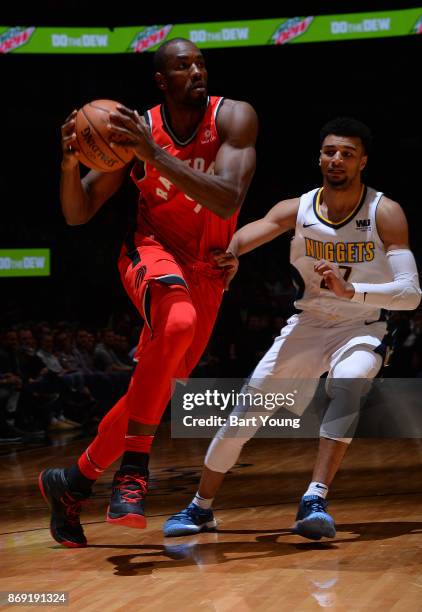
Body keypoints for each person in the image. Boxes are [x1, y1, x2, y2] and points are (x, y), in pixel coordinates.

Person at [39, 38, 258, 547]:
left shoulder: (234, 118)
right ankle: (134, 468)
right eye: (184, 66)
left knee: (154, 391)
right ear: (162, 81)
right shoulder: (134, 128)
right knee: (176, 322)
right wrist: (71, 164)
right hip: (151, 252)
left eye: (201, 63)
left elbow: (227, 201)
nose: (197, 72)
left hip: (207, 271)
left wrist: (152, 155)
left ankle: (71, 483)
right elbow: (78, 212)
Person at [163, 117, 421, 540]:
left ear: (363, 162)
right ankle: (200, 507)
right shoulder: (298, 208)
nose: (337, 159)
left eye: (347, 153)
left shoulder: (384, 212)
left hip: (362, 326)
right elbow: (251, 231)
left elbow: (411, 295)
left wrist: (350, 290)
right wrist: (232, 251)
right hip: (308, 324)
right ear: (319, 157)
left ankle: (314, 498)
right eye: (330, 151)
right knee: (245, 414)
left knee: (349, 380)